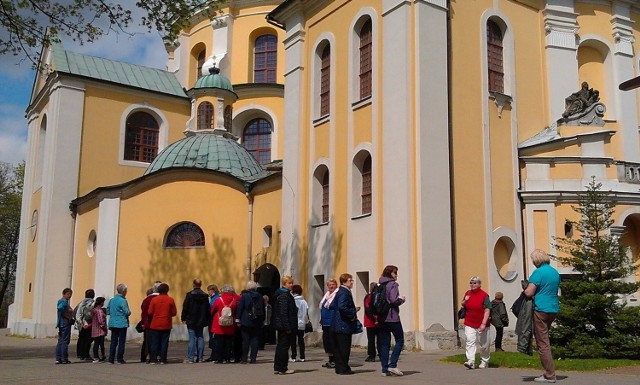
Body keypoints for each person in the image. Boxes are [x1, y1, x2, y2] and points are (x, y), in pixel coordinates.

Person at [524, 249, 561, 384]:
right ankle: (548, 372)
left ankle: (549, 374)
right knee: (545, 339)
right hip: (553, 308)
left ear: (536, 260)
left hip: (541, 308)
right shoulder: (554, 272)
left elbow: (529, 292)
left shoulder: (538, 273)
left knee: (542, 342)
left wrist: (525, 288)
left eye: (533, 259)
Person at [378, 265, 406, 376]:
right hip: (392, 317)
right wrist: (401, 300)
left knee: (385, 344)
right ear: (390, 273)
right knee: (400, 340)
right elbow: (394, 300)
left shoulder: (380, 284)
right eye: (395, 273)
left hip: (382, 318)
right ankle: (392, 365)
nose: (396, 275)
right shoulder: (393, 284)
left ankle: (384, 369)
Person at [329, 273, 359, 375]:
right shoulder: (344, 292)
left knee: (339, 348)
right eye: (350, 280)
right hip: (343, 324)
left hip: (338, 324)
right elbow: (342, 307)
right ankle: (343, 368)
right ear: (344, 282)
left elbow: (334, 305)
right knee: (344, 348)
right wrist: (352, 313)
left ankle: (340, 367)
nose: (352, 282)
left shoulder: (340, 292)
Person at [461, 276, 491, 370]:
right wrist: (465, 300)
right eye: (471, 283)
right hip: (469, 322)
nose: (473, 285)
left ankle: (485, 361)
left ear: (479, 284)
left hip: (482, 323)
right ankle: (471, 361)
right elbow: (463, 303)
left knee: (484, 344)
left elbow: (487, 310)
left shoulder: (484, 295)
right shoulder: (467, 293)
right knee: (470, 341)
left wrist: (483, 323)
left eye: (475, 283)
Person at [272, 276, 297, 375]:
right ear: (284, 284)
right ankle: (282, 368)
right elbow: (283, 313)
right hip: (285, 326)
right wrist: (287, 327)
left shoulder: (284, 294)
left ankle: (278, 367)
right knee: (283, 347)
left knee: (281, 347)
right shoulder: (284, 296)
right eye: (289, 283)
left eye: (291, 283)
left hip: (282, 324)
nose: (291, 285)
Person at [236, 280, 265, 363]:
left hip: (246, 319)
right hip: (257, 320)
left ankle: (244, 358)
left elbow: (240, 308)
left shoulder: (245, 296)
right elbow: (263, 308)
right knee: (255, 339)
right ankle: (253, 359)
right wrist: (262, 320)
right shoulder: (260, 296)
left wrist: (238, 319)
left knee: (245, 340)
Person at [181, 278, 210, 363]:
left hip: (191, 319)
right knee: (200, 337)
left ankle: (191, 358)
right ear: (200, 285)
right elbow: (207, 309)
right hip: (201, 320)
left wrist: (183, 318)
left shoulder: (189, 295)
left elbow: (185, 307)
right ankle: (200, 358)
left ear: (193, 284)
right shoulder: (205, 296)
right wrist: (206, 319)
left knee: (192, 338)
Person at [148, 283, 177, 364]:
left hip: (155, 323)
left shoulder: (154, 300)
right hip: (166, 323)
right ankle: (163, 359)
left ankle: (153, 359)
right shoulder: (170, 300)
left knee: (154, 342)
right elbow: (174, 312)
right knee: (164, 342)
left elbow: (150, 312)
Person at [210, 284, 238, 364]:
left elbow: (212, 310)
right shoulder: (234, 300)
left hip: (219, 323)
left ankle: (220, 358)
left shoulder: (219, 300)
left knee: (220, 342)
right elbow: (235, 311)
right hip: (230, 323)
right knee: (228, 342)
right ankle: (227, 358)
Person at [106, 283, 131, 364]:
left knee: (113, 341)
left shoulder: (112, 300)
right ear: (123, 291)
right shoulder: (123, 301)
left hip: (113, 323)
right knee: (121, 342)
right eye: (126, 291)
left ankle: (111, 358)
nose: (126, 292)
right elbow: (127, 312)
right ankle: (119, 358)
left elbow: (108, 311)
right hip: (122, 323)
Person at [319, 278, 338, 369]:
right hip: (325, 322)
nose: (331, 286)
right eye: (329, 285)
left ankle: (335, 360)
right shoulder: (326, 295)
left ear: (336, 285)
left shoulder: (336, 295)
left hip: (333, 322)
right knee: (327, 343)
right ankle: (330, 360)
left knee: (333, 342)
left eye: (333, 284)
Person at [140, 284, 160, 363]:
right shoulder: (158, 298)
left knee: (148, 340)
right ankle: (157, 356)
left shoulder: (146, 300)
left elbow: (144, 311)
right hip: (157, 322)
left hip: (147, 322)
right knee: (157, 340)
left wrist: (143, 322)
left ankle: (148, 356)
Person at [74, 289, 95, 361]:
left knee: (81, 338)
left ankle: (80, 354)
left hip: (81, 323)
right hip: (88, 323)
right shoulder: (91, 303)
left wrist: (79, 321)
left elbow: (75, 311)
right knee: (88, 339)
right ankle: (86, 354)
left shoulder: (81, 302)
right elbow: (91, 314)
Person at [290, 284, 309, 362]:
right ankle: (302, 356)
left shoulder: (292, 300)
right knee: (301, 340)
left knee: (293, 340)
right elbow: (307, 311)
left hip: (294, 323)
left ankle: (293, 356)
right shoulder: (304, 301)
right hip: (302, 323)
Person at [55, 288, 73, 364]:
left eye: (70, 294)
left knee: (60, 341)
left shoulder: (62, 301)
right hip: (65, 323)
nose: (70, 296)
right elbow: (60, 308)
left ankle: (58, 358)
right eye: (68, 294)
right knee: (65, 341)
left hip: (62, 323)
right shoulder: (64, 302)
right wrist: (67, 316)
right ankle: (64, 358)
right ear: (64, 294)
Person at [363, 282, 380, 362]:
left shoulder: (368, 297)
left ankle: (371, 355)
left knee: (371, 340)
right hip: (378, 321)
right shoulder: (379, 297)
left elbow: (367, 309)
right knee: (379, 339)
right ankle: (381, 354)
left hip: (370, 321)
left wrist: (373, 319)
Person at [204, 284, 220, 362]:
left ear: (213, 290)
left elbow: (211, 309)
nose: (208, 292)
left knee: (213, 337)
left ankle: (214, 355)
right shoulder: (215, 297)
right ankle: (214, 354)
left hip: (213, 320)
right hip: (214, 320)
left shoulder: (215, 298)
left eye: (209, 291)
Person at [91, 297, 107, 363]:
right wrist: (104, 327)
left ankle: (97, 356)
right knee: (100, 344)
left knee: (96, 344)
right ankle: (99, 356)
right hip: (100, 330)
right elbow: (101, 321)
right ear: (101, 303)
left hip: (95, 329)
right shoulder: (99, 311)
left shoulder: (94, 310)